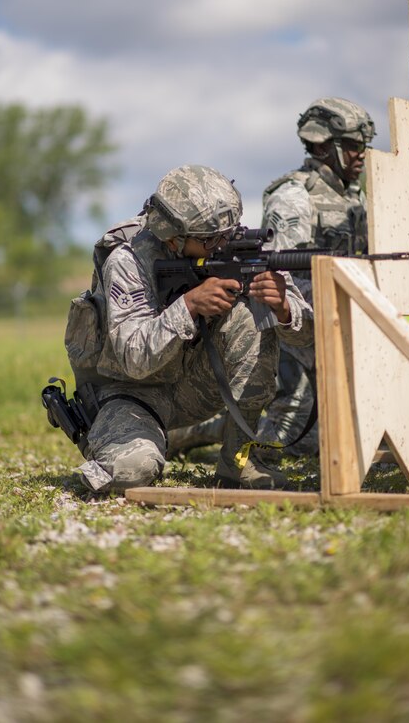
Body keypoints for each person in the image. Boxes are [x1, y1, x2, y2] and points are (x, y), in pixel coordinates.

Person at [73, 164, 314, 494]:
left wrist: (284, 309)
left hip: (196, 387)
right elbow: (132, 359)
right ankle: (137, 438)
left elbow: (310, 337)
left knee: (249, 314)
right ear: (174, 239)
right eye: (210, 239)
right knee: (130, 471)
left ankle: (238, 464)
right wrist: (188, 307)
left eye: (228, 233)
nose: (224, 243)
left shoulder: (240, 249)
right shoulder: (129, 261)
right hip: (132, 395)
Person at [259, 97, 376, 452]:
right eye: (353, 147)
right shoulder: (295, 197)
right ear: (324, 145)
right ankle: (203, 429)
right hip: (298, 331)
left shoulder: (357, 199)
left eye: (363, 147)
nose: (361, 156)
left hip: (343, 320)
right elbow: (279, 280)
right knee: (296, 440)